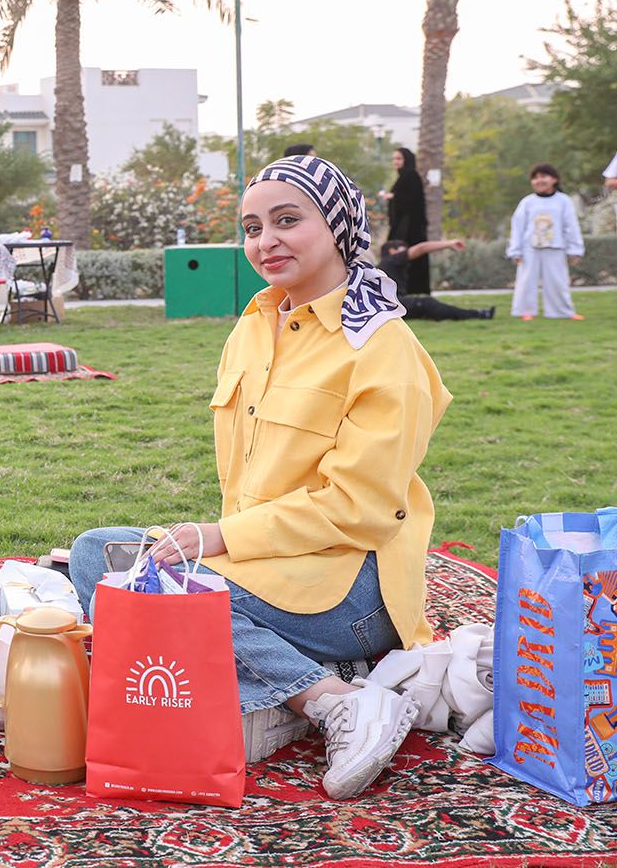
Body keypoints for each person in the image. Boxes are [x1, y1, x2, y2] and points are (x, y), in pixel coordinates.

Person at [68, 155, 451, 800]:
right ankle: (291, 688)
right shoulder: (254, 327)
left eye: (287, 220)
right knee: (97, 556)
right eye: (252, 228)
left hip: (350, 588)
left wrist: (219, 539)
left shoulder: (384, 350)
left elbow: (359, 508)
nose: (266, 241)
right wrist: (221, 543)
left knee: (165, 594)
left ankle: (336, 704)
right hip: (266, 565)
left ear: (338, 227)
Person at [508, 163, 584, 321]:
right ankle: (525, 311)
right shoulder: (527, 202)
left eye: (543, 176)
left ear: (554, 179)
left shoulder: (564, 201)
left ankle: (562, 311)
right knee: (526, 280)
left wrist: (575, 250)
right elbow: (517, 227)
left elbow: (571, 226)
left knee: (558, 281)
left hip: (555, 247)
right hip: (530, 249)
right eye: (535, 178)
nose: (539, 181)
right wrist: (515, 251)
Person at [380, 239, 494, 320]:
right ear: (392, 251)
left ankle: (477, 314)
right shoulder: (392, 260)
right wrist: (449, 244)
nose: (406, 252)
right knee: (427, 303)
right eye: (403, 249)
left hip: (390, 306)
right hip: (395, 305)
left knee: (424, 306)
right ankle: (478, 314)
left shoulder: (385, 266)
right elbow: (421, 248)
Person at [383, 147, 429, 295]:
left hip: (409, 229)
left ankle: (410, 290)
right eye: (394, 159)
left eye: (399, 158)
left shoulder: (411, 176)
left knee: (405, 256)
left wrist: (393, 197)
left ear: (406, 160)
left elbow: (412, 201)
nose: (395, 162)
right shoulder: (404, 177)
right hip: (404, 227)